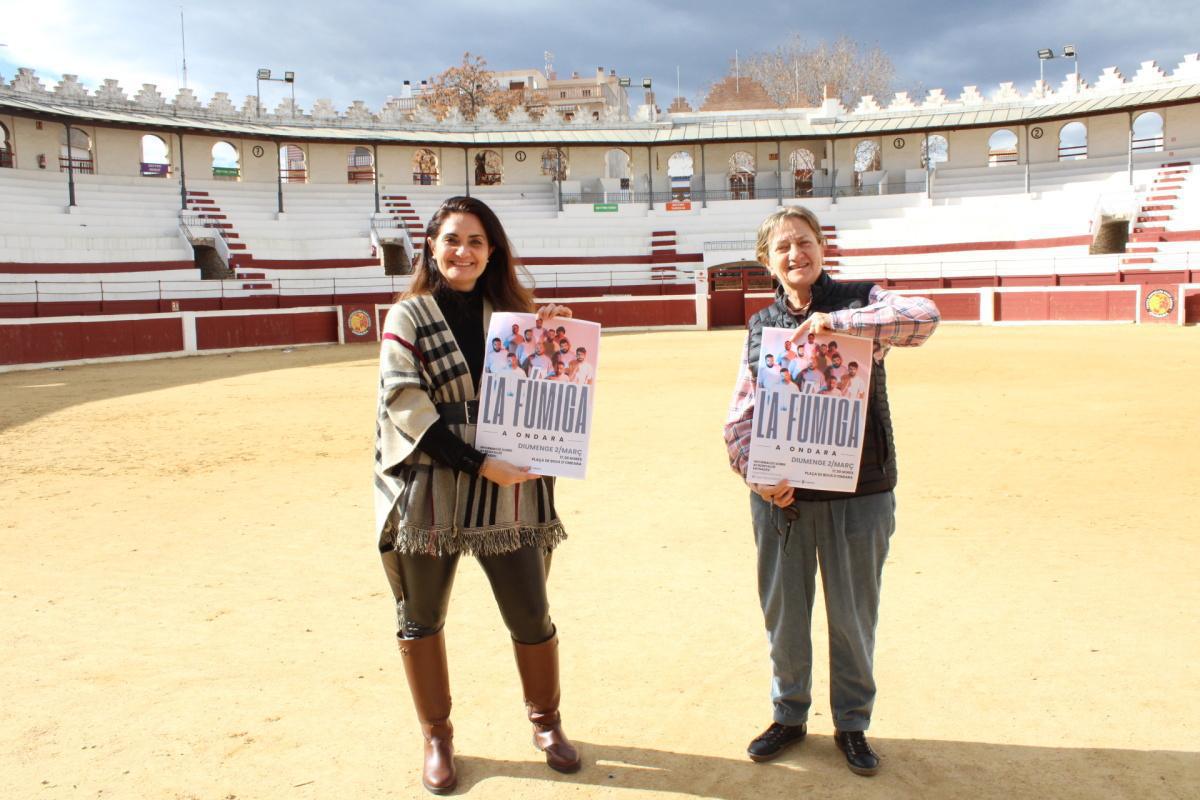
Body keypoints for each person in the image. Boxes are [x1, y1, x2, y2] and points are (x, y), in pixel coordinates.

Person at [374, 196, 582, 794]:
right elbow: (405, 403)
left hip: (508, 486)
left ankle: (546, 723)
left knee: (530, 612)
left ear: (492, 252)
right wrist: (477, 462)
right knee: (421, 617)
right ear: (431, 246)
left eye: (475, 241)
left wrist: (554, 334)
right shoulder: (407, 315)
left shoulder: (514, 317)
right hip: (433, 483)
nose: (462, 251)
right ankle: (437, 737)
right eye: (452, 239)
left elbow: (548, 389)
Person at [723, 206, 939, 776]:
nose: (795, 254)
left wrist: (841, 325)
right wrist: (753, 473)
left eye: (805, 242)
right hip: (783, 500)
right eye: (782, 247)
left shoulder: (861, 301)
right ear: (767, 261)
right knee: (785, 618)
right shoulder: (761, 325)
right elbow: (741, 414)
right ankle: (789, 714)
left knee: (853, 618)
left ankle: (851, 723)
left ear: (823, 247)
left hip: (860, 494)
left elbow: (924, 317)